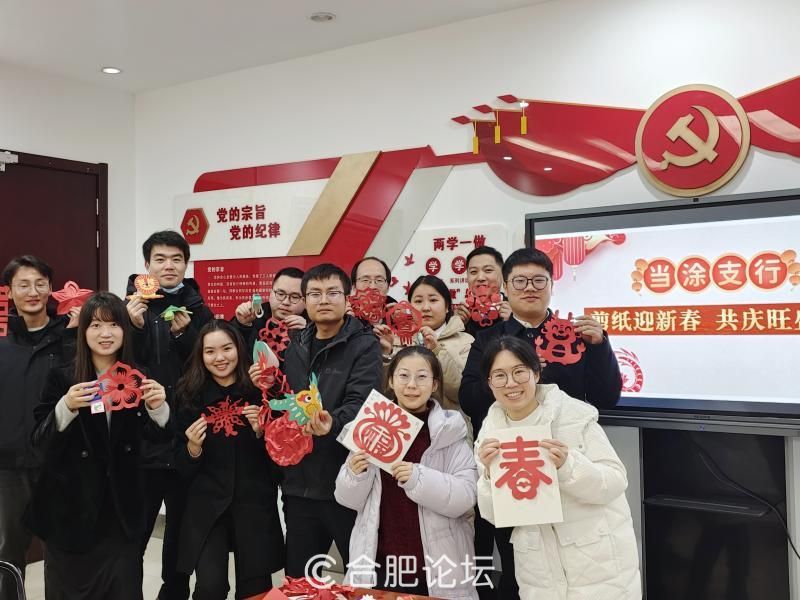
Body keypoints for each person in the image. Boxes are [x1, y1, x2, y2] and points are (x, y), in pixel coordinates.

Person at [459, 247, 622, 599]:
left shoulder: (574, 335)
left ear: (551, 285)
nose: (529, 288)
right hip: (513, 467)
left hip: (569, 462)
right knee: (519, 565)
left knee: (575, 561)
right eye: (519, 281)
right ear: (505, 287)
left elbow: (607, 397)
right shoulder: (488, 340)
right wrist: (517, 379)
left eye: (538, 280)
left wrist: (600, 346)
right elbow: (469, 398)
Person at [24, 292, 170, 600]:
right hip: (70, 513)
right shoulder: (62, 377)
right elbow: (39, 443)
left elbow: (157, 442)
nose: (106, 334)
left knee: (123, 588)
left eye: (114, 324)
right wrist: (66, 406)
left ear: (125, 330)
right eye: (96, 325)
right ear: (83, 331)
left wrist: (159, 410)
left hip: (120, 511)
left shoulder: (138, 378)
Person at [475, 335, 640, 600]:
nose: (511, 383)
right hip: (539, 570)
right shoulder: (490, 436)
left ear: (536, 373)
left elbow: (615, 481)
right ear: (489, 383)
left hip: (597, 562)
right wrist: (488, 476)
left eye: (519, 372)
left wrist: (568, 466)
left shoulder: (574, 416)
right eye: (500, 376)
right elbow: (494, 515)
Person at [257, 263, 383, 577]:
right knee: (299, 580)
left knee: (362, 579)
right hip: (299, 485)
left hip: (346, 482)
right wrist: (271, 386)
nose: (323, 300)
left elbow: (362, 404)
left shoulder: (364, 345)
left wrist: (332, 423)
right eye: (315, 293)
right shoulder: (295, 344)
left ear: (347, 297)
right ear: (305, 300)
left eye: (332, 292)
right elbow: (289, 401)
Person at [335, 346, 478, 599]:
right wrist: (355, 474)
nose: (412, 385)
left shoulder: (449, 433)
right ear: (390, 381)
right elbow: (347, 500)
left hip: (436, 566)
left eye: (422, 377)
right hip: (378, 563)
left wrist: (417, 478)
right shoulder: (373, 426)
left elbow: (466, 496)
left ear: (435, 384)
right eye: (403, 375)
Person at [126, 230, 214, 600]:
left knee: (179, 535)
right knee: (132, 536)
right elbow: (119, 365)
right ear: (146, 265)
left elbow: (212, 365)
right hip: (140, 440)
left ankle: (174, 593)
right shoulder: (130, 308)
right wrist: (133, 328)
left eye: (176, 259)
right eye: (160, 259)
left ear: (186, 264)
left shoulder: (199, 309)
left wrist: (184, 335)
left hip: (185, 438)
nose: (169, 266)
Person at [175, 320, 284, 600]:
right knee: (209, 587)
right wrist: (193, 448)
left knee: (254, 589)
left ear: (239, 348)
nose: (220, 358)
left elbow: (282, 459)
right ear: (200, 355)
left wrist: (261, 432)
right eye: (210, 351)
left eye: (227, 348)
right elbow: (179, 465)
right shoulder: (188, 393)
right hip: (207, 506)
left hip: (254, 503)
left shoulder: (260, 391)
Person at [0, 255, 78, 599]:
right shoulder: (2, 342)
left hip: (58, 462)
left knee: (61, 551)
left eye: (40, 284)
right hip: (9, 464)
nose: (32, 292)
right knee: (8, 552)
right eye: (23, 285)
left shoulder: (69, 337)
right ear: (9, 292)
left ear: (50, 289)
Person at [407, 275, 473, 420]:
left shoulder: (466, 341)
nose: (425, 307)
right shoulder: (399, 341)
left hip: (450, 427)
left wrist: (437, 350)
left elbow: (461, 393)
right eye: (418, 301)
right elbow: (386, 392)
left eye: (433, 300)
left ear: (447, 306)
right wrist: (387, 354)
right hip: (407, 426)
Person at [232, 266, 306, 350]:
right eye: (280, 294)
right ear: (270, 293)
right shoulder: (253, 318)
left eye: (295, 297)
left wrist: (309, 334)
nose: (286, 302)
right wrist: (241, 325)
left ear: (305, 301)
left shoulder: (312, 325)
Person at [455, 246, 511, 338]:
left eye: (488, 270)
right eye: (473, 272)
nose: (480, 278)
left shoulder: (517, 310)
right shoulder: (461, 313)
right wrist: (455, 326)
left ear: (503, 274)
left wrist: (513, 324)